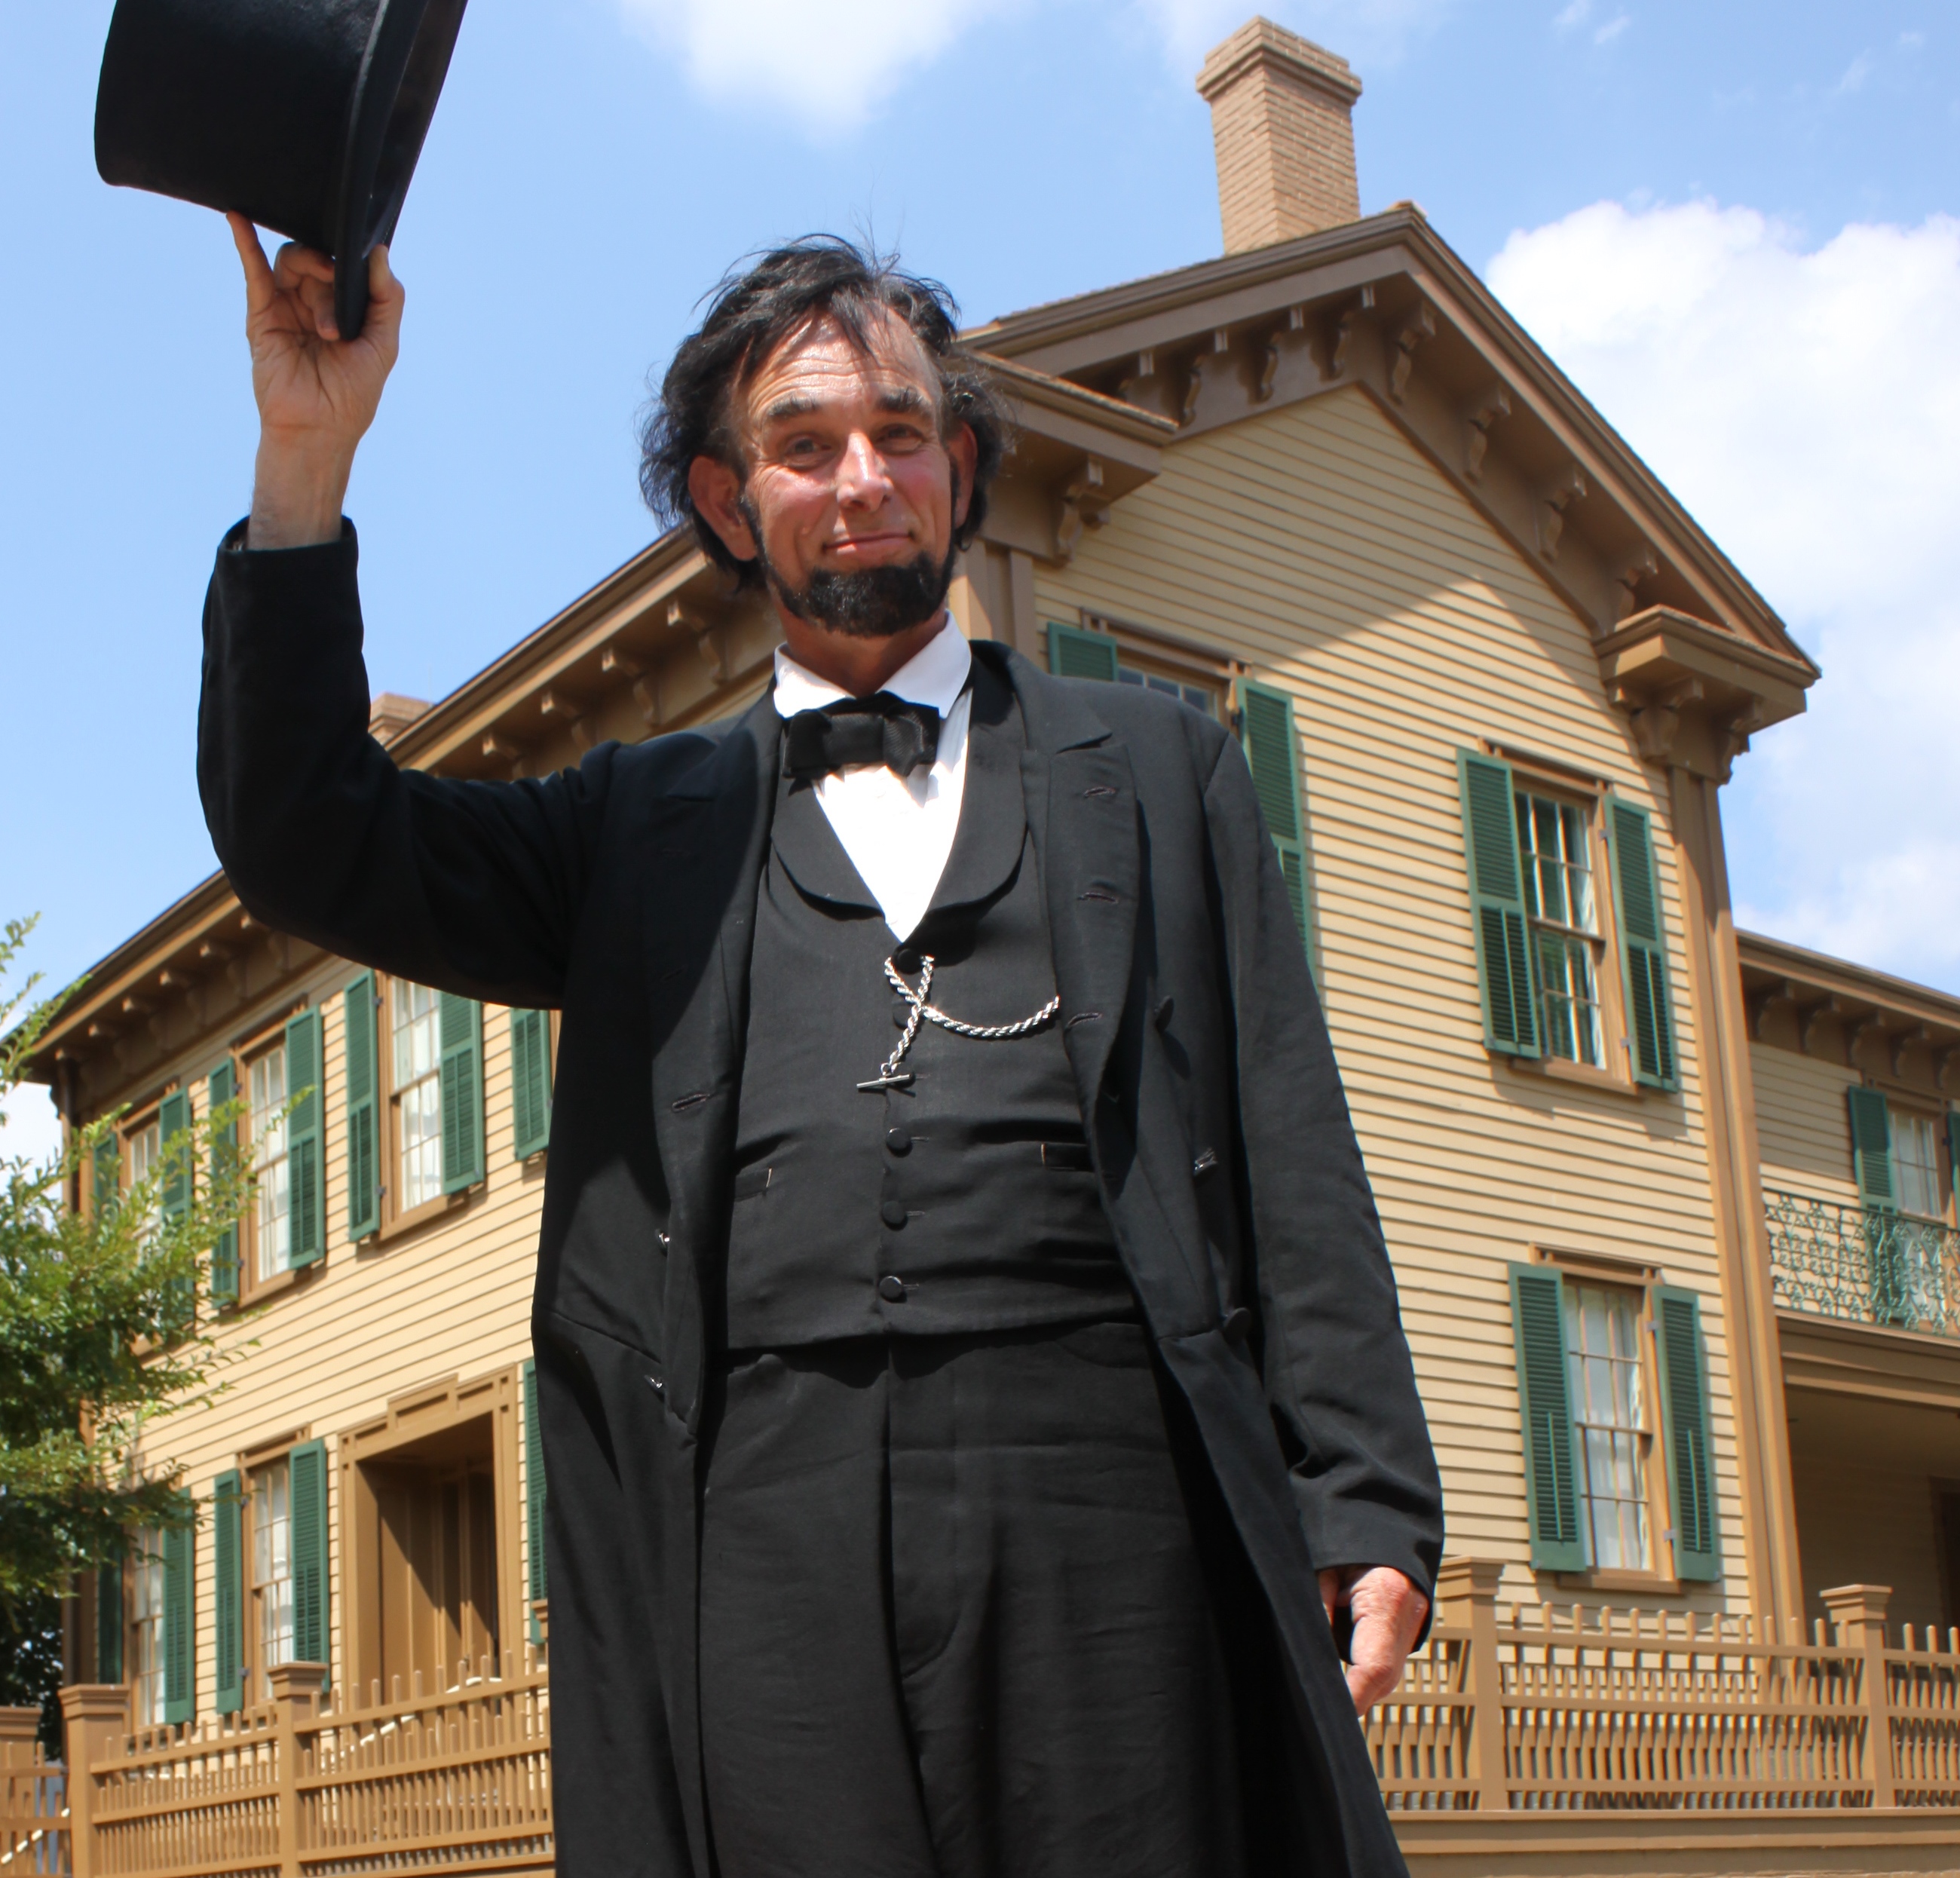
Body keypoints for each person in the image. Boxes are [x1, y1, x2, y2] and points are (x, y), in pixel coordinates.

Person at [198, 220, 1441, 1878]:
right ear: (729, 503)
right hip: (755, 1514)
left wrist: (1360, 1486)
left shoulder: (1158, 767)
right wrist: (306, 460)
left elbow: (1295, 1137)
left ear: (960, 467)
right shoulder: (634, 823)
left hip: (1109, 1491)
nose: (861, 475)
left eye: (901, 433)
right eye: (803, 444)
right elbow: (306, 833)